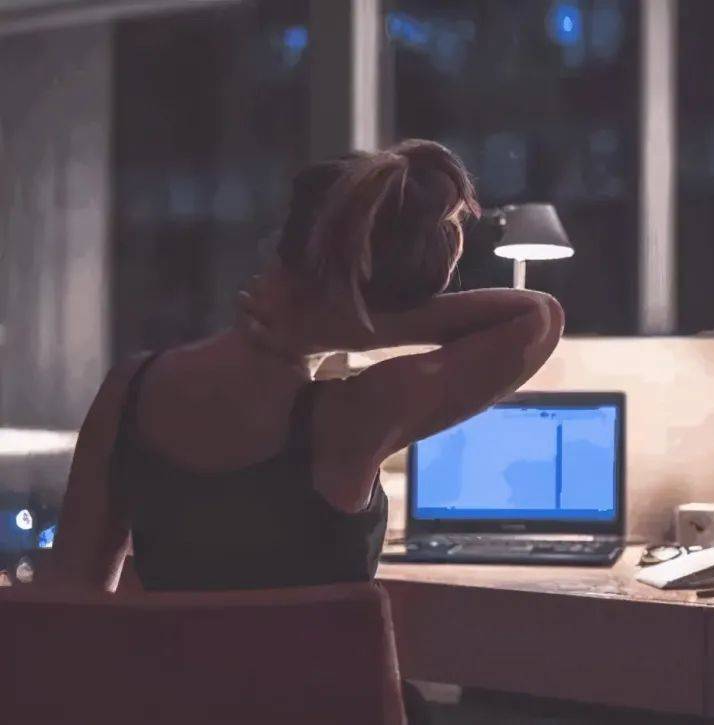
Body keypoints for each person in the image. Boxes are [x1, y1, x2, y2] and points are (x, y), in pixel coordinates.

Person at [42, 140, 564, 717]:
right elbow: (537, 316)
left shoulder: (130, 390)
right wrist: (363, 326)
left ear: (278, 246)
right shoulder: (355, 416)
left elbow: (68, 607)